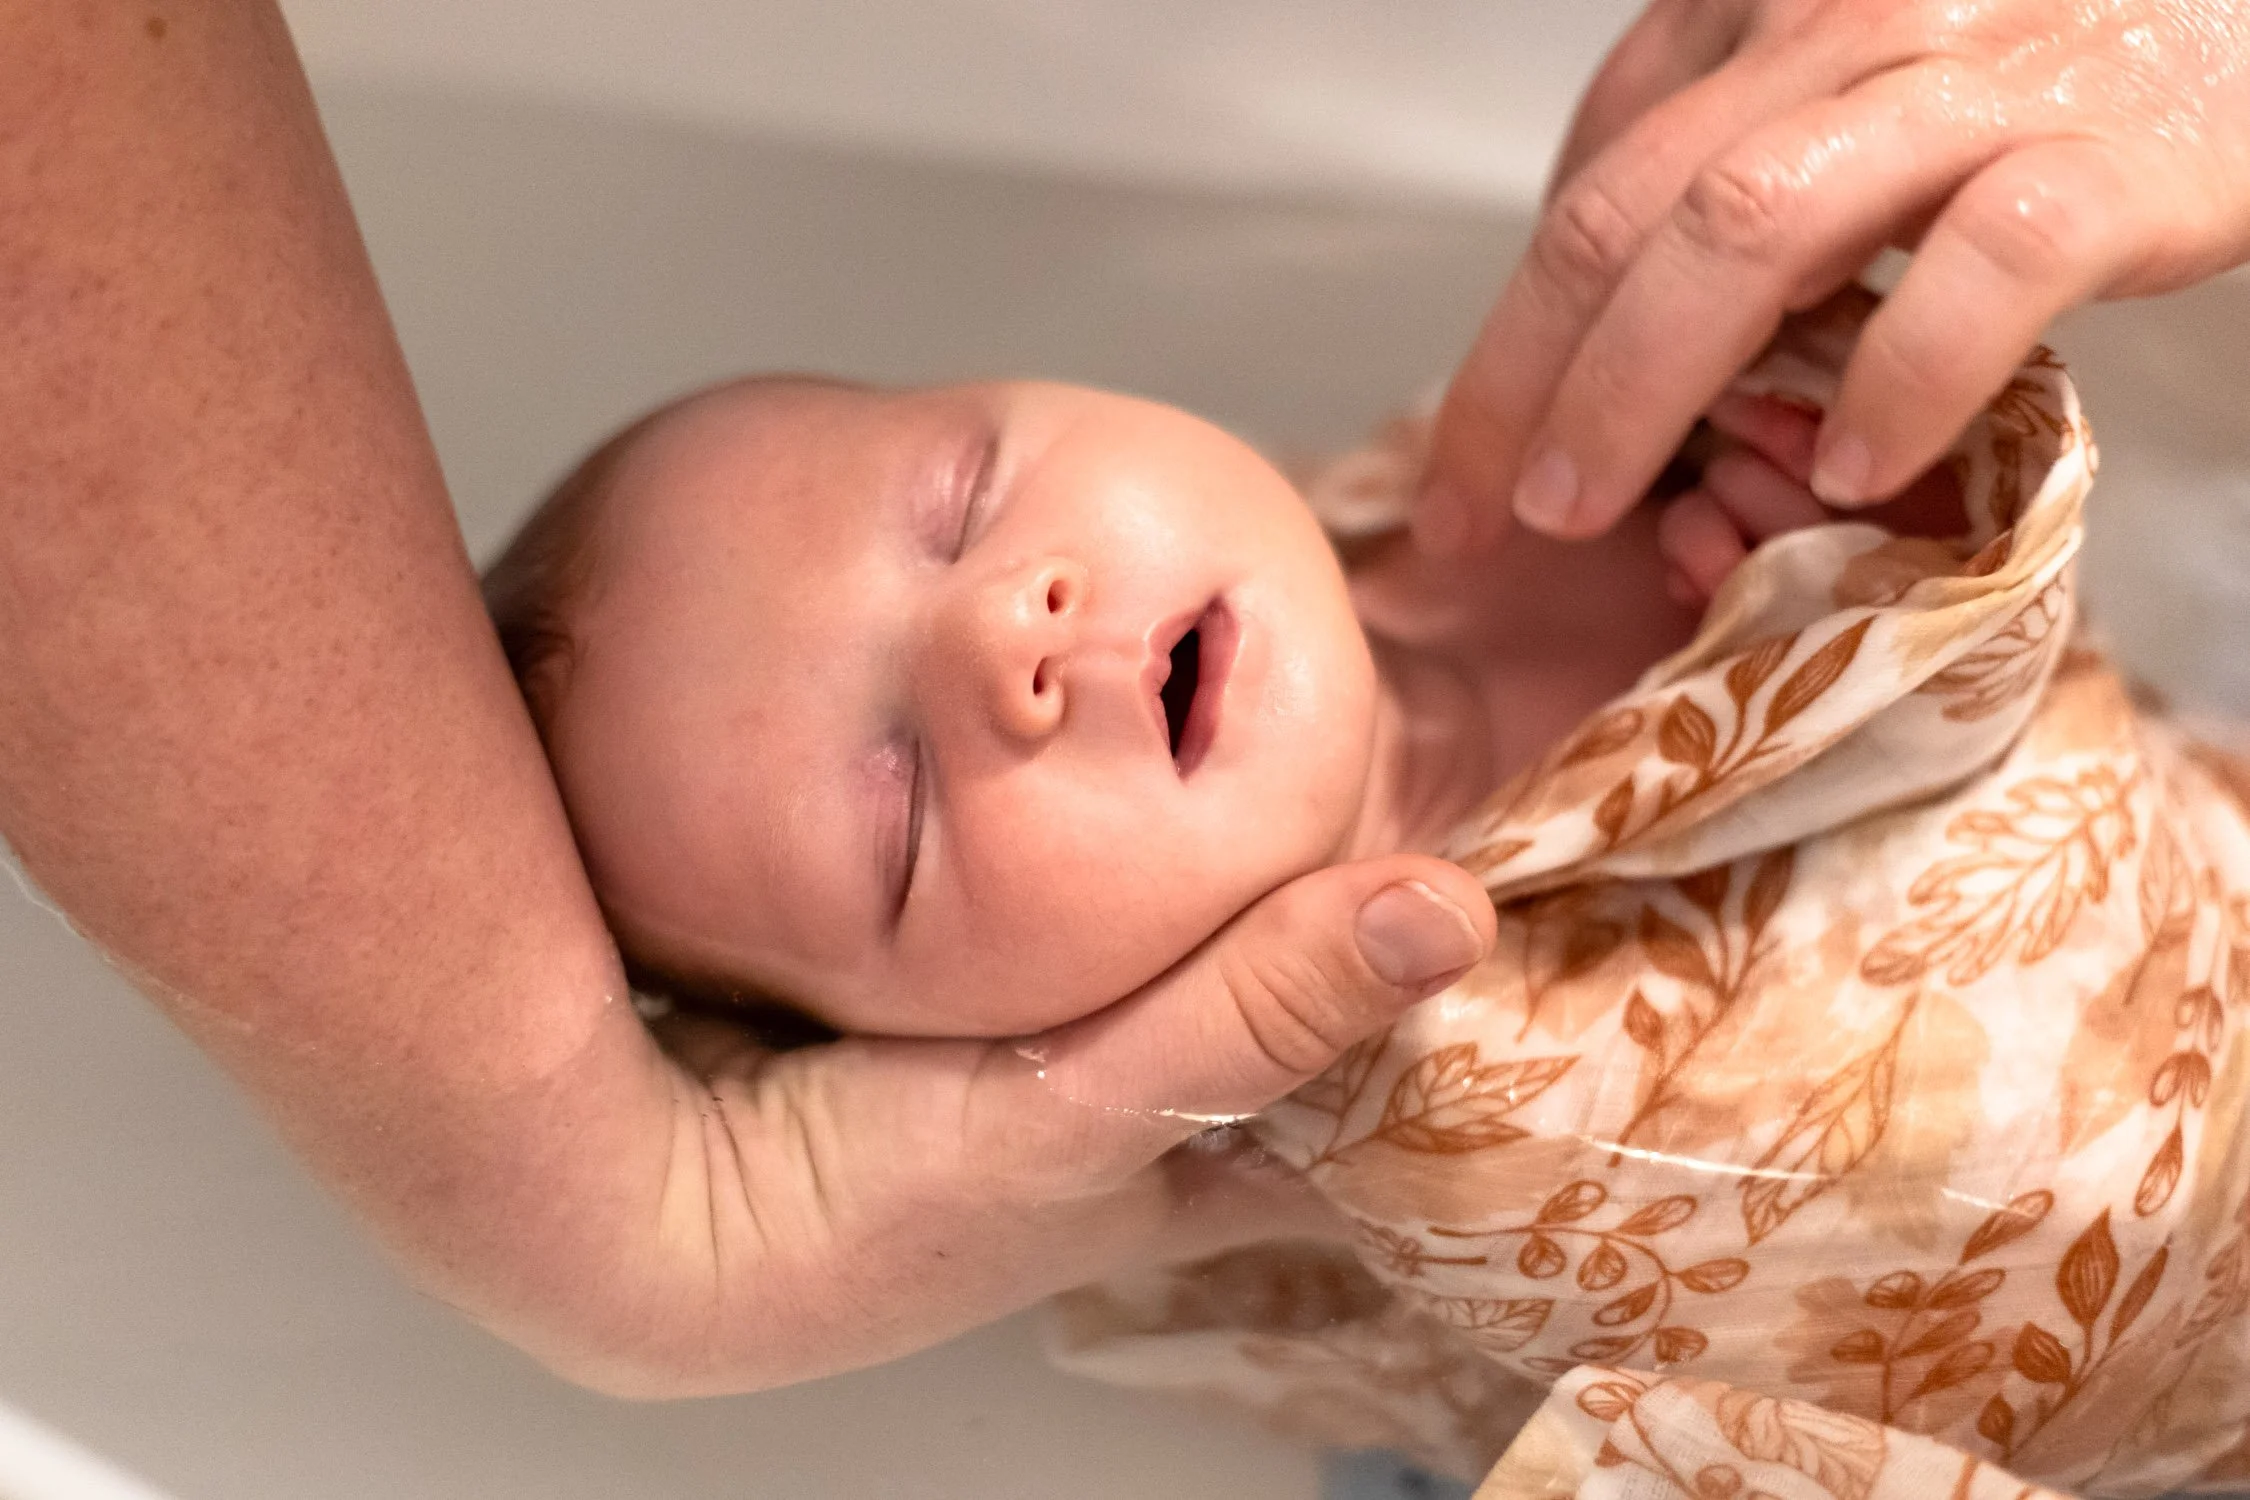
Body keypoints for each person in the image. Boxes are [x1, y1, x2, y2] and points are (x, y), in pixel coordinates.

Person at [4, 0, 2250, 1411]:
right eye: (893, 810)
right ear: (977, 1079)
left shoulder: (1457, 499)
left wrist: (1849, 485)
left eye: (962, 490)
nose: (1015, 637)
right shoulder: (1373, 1093)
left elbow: (2016, 638)